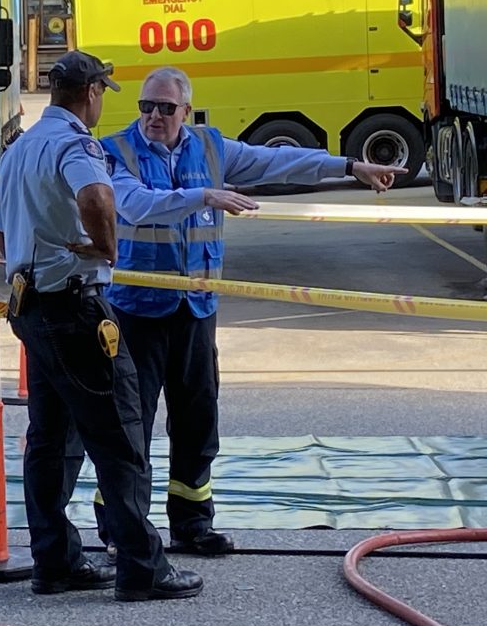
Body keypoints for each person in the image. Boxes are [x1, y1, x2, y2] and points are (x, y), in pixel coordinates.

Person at [95, 65, 406, 555]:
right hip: (137, 309)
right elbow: (135, 205)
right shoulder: (116, 152)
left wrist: (349, 167)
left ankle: (192, 523)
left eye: (165, 108)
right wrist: (205, 195)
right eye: (145, 106)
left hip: (196, 307)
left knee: (197, 421)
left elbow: (278, 163)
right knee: (129, 425)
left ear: (186, 110)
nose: (154, 116)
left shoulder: (212, 147)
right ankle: (121, 528)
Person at [0, 50, 202, 603]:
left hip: (31, 305)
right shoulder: (75, 144)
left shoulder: (21, 148)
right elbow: (97, 194)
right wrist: (106, 248)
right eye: (104, 91)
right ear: (90, 94)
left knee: (51, 439)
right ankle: (142, 567)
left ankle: (55, 561)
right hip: (75, 307)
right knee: (120, 433)